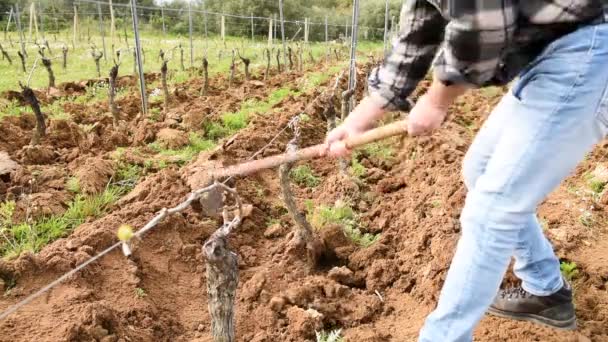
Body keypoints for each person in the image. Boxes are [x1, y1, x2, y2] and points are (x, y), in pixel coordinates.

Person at [323, 1, 608, 341]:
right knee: (480, 169)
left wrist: (436, 101)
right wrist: (356, 122)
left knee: (493, 208)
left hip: (589, 49)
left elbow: (482, 29)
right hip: (549, 51)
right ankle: (546, 290)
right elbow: (417, 34)